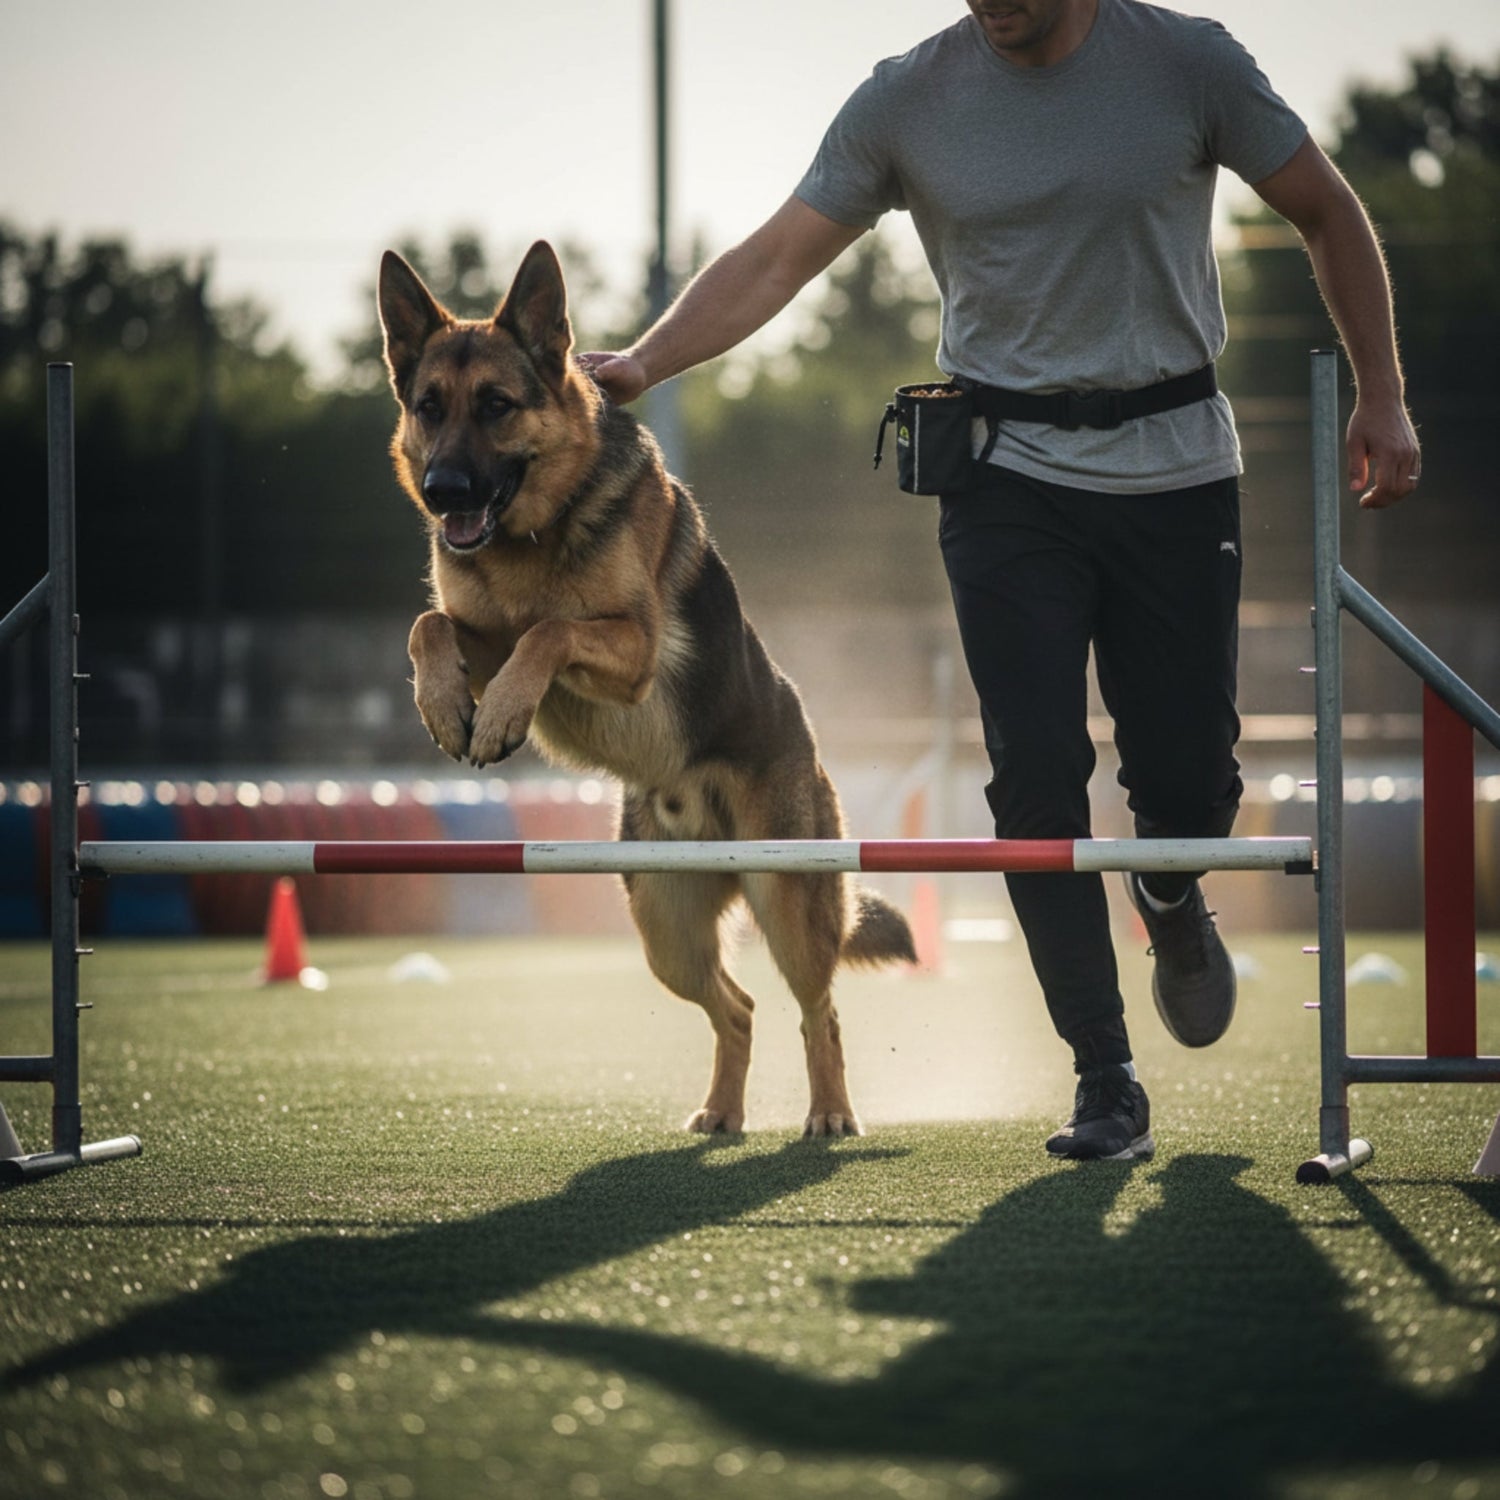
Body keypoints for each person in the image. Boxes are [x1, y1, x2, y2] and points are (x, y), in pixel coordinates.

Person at [583, 0, 1421, 1161]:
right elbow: (777, 253)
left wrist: (1382, 391)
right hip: (1004, 480)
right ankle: (1105, 1077)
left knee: (1188, 784)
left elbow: (1326, 210)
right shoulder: (907, 99)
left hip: (1177, 469)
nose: (998, 5)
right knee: (1034, 787)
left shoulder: (1186, 62)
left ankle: (1172, 899)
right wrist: (642, 358)